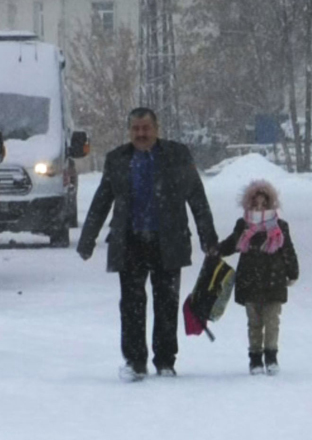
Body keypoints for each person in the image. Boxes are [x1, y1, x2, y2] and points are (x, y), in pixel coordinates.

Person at [77, 107, 218, 382]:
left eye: (146, 128)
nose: (141, 134)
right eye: (136, 129)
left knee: (167, 303)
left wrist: (208, 238)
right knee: (131, 305)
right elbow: (102, 200)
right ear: (129, 131)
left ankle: (165, 361)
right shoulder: (117, 159)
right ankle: (134, 361)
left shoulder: (177, 155)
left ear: (156, 129)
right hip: (130, 242)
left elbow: (196, 197)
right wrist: (87, 239)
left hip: (169, 241)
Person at [218, 180, 299, 375]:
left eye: (264, 204)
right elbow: (231, 244)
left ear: (271, 204)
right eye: (256, 204)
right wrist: (215, 250)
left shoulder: (280, 227)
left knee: (272, 321)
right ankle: (255, 358)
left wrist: (293, 272)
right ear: (248, 204)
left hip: (274, 279)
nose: (260, 208)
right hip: (250, 280)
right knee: (254, 322)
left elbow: (287, 250)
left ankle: (271, 356)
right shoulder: (243, 225)